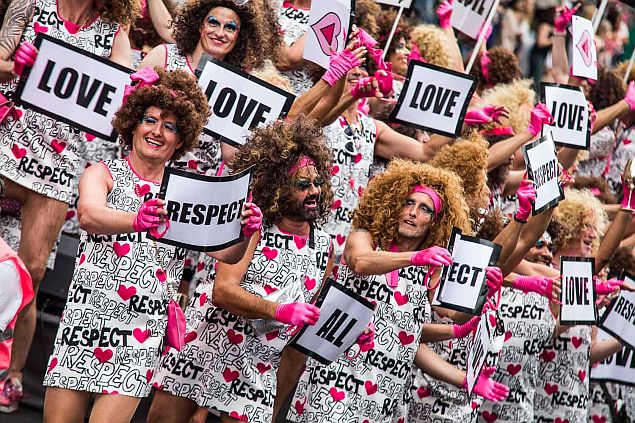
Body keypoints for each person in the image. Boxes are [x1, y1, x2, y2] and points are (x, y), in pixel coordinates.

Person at [41, 67, 260, 422]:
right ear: (133, 124)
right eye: (150, 120)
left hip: (139, 337)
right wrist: (137, 220)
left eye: (170, 126)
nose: (157, 131)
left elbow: (226, 253)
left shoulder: (187, 192)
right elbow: (89, 215)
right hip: (84, 321)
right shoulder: (102, 172)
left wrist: (245, 231)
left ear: (181, 139)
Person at [288, 159, 509, 422]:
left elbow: (443, 320)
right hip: (334, 387)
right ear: (393, 204)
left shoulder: (430, 270)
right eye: (408, 202)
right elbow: (360, 262)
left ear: (436, 223)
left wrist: (481, 295)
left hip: (386, 401)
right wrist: (414, 258)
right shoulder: (366, 237)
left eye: (425, 209)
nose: (413, 212)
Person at [147, 116, 335, 423]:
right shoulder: (253, 224)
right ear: (276, 187)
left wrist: (346, 333)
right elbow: (223, 291)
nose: (314, 190)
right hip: (205, 347)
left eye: (317, 182)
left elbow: (313, 311)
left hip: (259, 364)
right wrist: (278, 311)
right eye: (302, 184)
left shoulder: (324, 245)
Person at [0, 0, 137, 412]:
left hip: (59, 165)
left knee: (32, 273)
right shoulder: (32, 2)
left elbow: (123, 93)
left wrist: (133, 85)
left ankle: (13, 374)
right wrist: (12, 66)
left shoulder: (115, 29)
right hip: (8, 138)